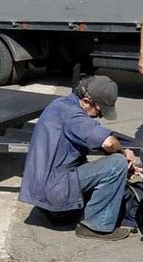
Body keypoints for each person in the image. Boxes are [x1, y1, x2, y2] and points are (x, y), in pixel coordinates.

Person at [19, 76, 135, 241]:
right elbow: (108, 143)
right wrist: (124, 154)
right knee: (117, 164)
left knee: (102, 164)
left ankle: (62, 212)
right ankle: (96, 226)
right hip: (54, 190)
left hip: (44, 188)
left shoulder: (61, 105)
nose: (99, 117)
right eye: (99, 111)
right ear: (86, 101)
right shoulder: (73, 116)